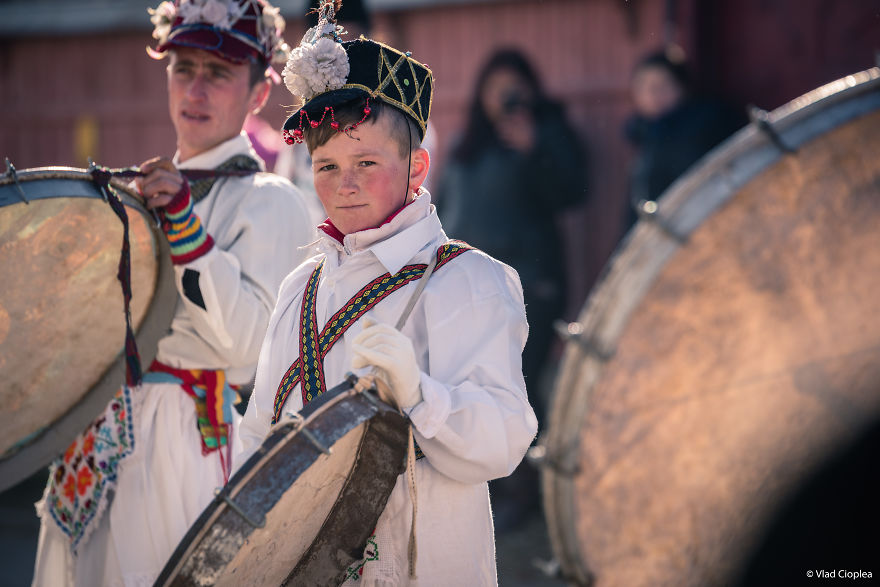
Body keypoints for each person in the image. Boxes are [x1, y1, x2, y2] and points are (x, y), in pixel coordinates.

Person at [238, 2, 538, 584]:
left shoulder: (467, 281)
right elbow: (257, 438)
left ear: (417, 167)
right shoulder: (300, 287)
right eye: (325, 167)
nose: (342, 185)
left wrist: (421, 394)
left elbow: (504, 441)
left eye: (366, 161)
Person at [32, 1, 318, 585]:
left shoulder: (271, 201)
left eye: (218, 73)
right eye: (184, 67)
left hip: (185, 440)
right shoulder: (137, 193)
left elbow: (244, 352)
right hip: (96, 436)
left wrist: (186, 228)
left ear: (259, 94)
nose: (196, 88)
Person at [435, 49, 587, 430]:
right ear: (480, 94)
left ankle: (527, 479)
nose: (503, 97)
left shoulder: (549, 134)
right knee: (473, 385)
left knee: (523, 385)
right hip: (469, 287)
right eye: (495, 88)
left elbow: (572, 193)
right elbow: (443, 209)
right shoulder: (465, 144)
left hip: (531, 286)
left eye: (513, 89)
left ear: (531, 92)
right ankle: (493, 482)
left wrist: (535, 150)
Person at [624, 46, 745, 231]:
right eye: (644, 86)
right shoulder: (644, 134)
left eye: (662, 85)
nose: (652, 94)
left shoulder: (705, 125)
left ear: (681, 88)